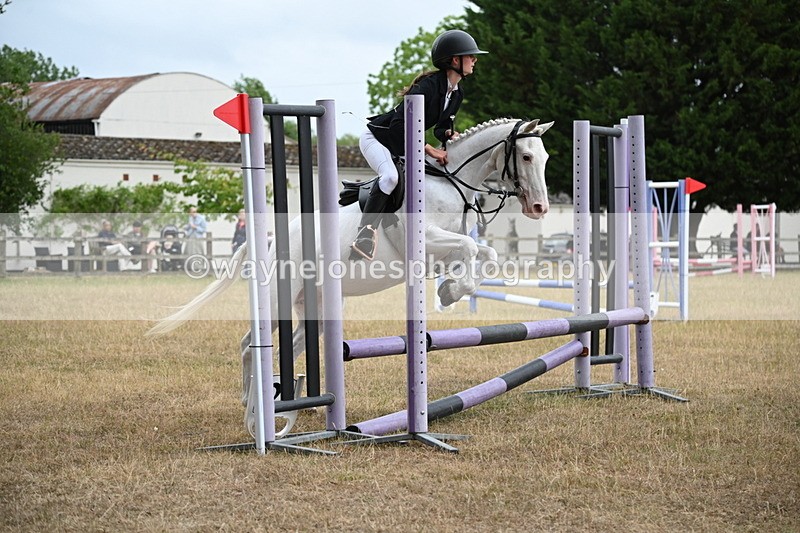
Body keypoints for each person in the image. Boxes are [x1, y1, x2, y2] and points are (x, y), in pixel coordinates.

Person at [349, 29, 488, 261]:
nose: (474, 60)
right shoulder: (427, 87)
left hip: (406, 145)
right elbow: (398, 126)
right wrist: (427, 148)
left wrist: (449, 133)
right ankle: (364, 233)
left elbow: (439, 128)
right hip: (379, 139)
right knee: (390, 178)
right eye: (470, 56)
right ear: (455, 60)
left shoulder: (456, 93)